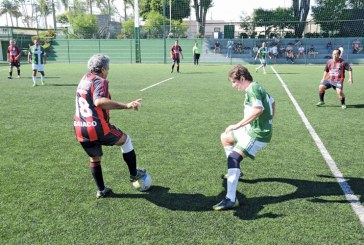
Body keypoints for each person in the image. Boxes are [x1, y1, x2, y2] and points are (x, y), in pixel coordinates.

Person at [74, 54, 146, 198]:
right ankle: (133, 174)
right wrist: (127, 105)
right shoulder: (100, 80)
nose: (108, 71)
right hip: (97, 127)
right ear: (102, 69)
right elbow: (99, 102)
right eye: (107, 68)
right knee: (126, 140)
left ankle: (101, 190)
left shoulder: (84, 79)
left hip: (79, 127)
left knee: (95, 158)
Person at [213, 64, 275, 211]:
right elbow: (272, 102)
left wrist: (237, 125)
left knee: (233, 158)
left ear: (242, 78)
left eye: (234, 82)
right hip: (252, 129)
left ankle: (230, 199)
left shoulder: (252, 89)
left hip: (258, 133)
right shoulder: (255, 87)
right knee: (225, 137)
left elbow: (258, 110)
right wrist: (270, 120)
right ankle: (236, 172)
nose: (233, 85)